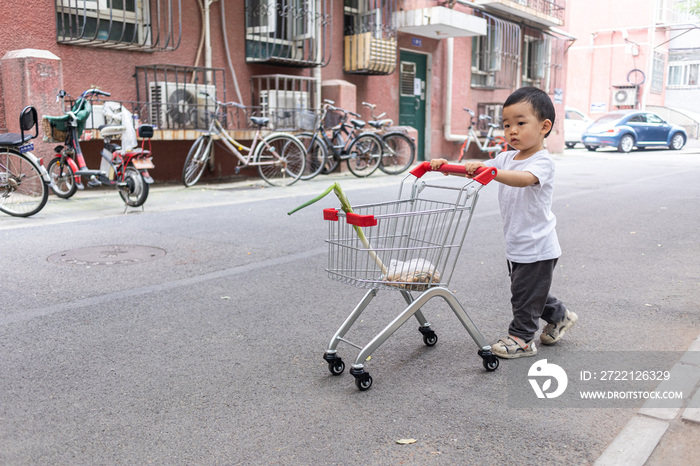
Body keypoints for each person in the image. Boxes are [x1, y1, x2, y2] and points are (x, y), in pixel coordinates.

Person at [430, 87, 577, 359]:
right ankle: (559, 315)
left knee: (523, 295)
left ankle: (522, 338)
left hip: (538, 246)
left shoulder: (542, 161)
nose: (512, 131)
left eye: (521, 123)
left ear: (545, 127)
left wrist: (494, 172)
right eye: (506, 125)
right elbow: (479, 171)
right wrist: (446, 166)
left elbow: (523, 179)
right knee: (531, 293)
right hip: (518, 243)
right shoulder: (507, 157)